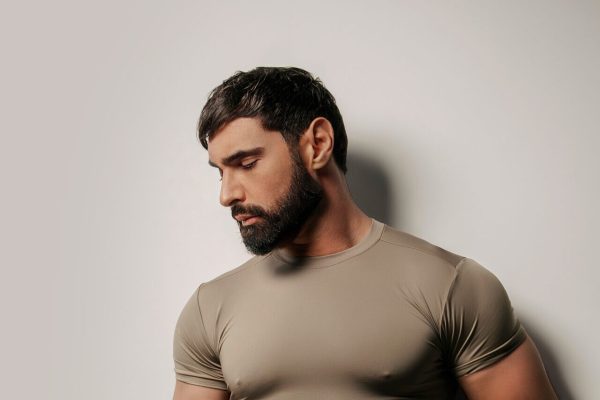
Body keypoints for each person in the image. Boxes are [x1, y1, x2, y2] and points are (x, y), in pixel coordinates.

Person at [172, 67, 557, 400]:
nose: (227, 195)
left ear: (317, 144)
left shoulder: (452, 286)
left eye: (246, 163)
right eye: (220, 172)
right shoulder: (210, 308)